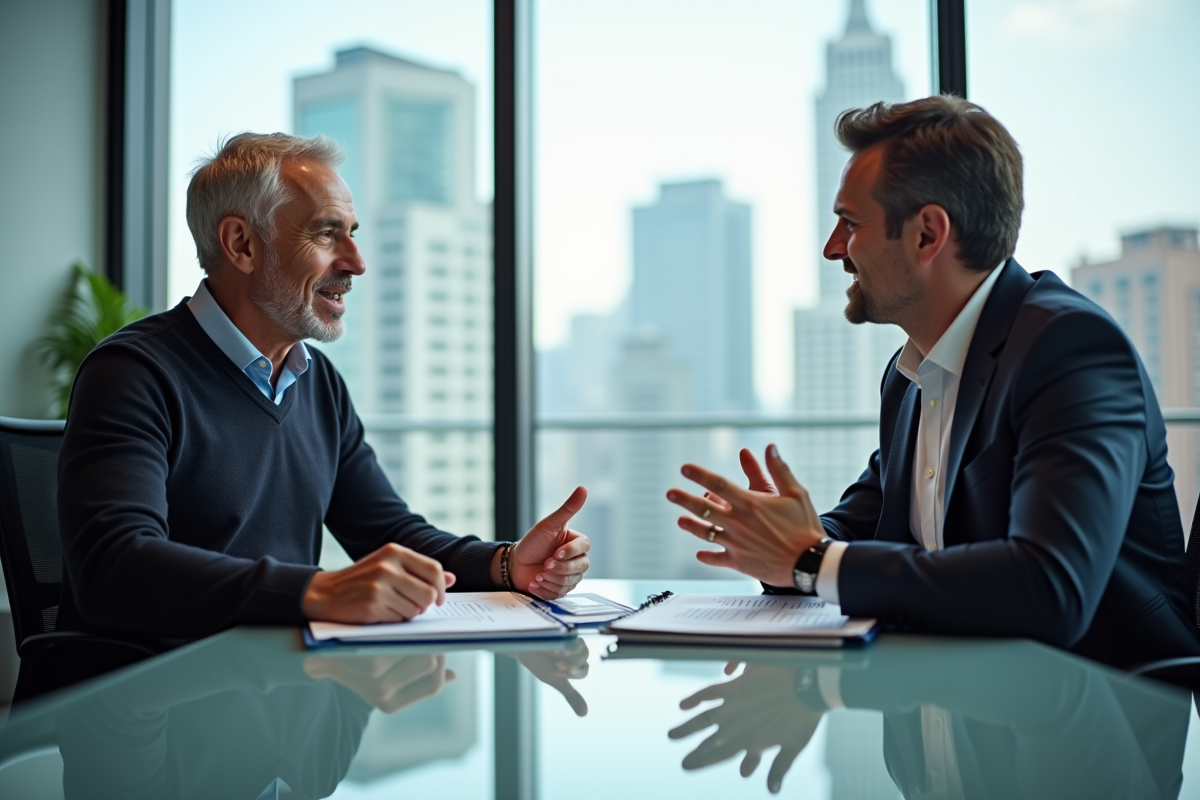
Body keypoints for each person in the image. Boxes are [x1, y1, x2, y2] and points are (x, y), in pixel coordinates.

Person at [667, 95, 1200, 668]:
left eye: (850, 222)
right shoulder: (910, 375)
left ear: (927, 234)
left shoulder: (1070, 350)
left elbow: (1051, 586)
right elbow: (870, 527)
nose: (832, 248)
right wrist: (783, 538)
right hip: (966, 704)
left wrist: (809, 559)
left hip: (1103, 720)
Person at [56, 133, 591, 645]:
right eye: (326, 233)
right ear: (241, 243)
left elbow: (386, 531)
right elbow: (116, 566)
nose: (356, 263)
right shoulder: (134, 373)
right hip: (160, 698)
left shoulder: (317, 382)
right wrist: (317, 588)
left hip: (272, 686)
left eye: (352, 233)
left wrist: (506, 564)